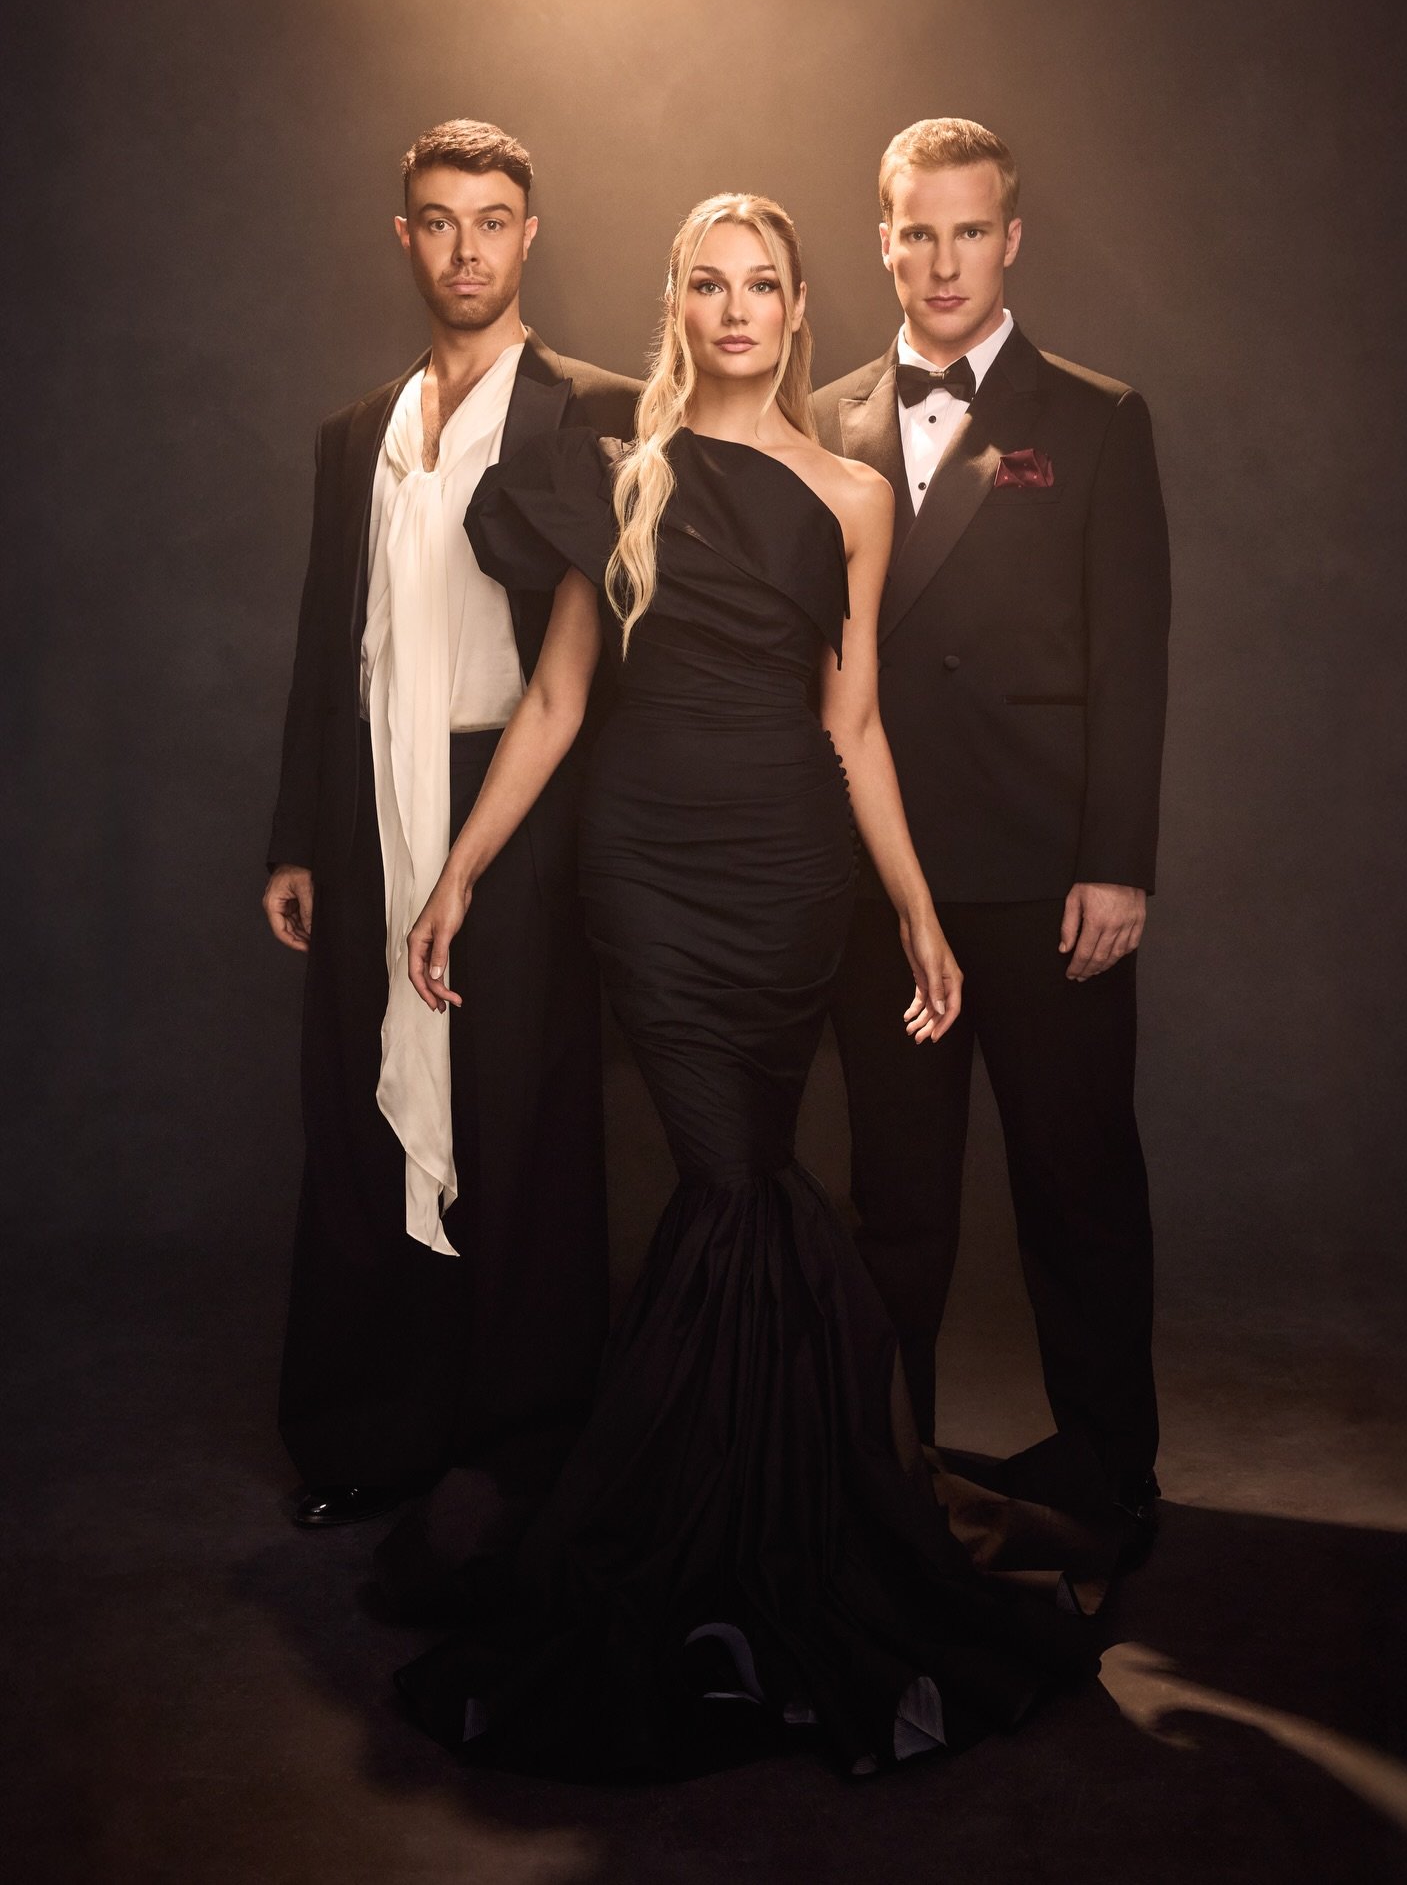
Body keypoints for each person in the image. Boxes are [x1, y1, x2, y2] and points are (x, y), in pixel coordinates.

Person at [387, 193, 1095, 1781]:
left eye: (762, 282)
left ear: (795, 305)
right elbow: (562, 699)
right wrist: (463, 872)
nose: (735, 308)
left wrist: (914, 906)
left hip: (786, 873)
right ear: (675, 301)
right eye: (706, 283)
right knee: (731, 1181)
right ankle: (747, 1517)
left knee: (746, 1182)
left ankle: (749, 1519)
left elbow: (854, 724)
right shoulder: (617, 470)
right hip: (644, 863)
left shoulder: (852, 492)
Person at [262, 120, 638, 1532]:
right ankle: (369, 1431)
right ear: (403, 236)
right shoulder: (356, 431)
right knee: (360, 1113)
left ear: (529, 236)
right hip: (367, 801)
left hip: (517, 799)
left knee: (524, 1111)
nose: (466, 247)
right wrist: (297, 833)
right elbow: (330, 640)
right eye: (438, 220)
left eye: (492, 219)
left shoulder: (598, 404)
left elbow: (602, 658)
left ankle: (525, 1435)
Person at [814, 118, 1171, 1556]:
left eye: (970, 231)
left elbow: (1134, 652)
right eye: (918, 231)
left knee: (1076, 1187)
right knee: (896, 1200)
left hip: (1047, 877)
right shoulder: (825, 415)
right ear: (883, 239)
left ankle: (1110, 1464)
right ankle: (892, 1467)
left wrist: (1121, 857)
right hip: (879, 879)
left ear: (1010, 240)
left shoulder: (1095, 414)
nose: (943, 259)